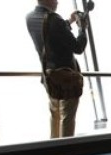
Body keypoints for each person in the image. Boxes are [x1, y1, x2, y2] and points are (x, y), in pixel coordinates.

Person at [26, 0, 88, 138]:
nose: (58, 1)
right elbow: (78, 47)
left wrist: (70, 21)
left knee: (55, 114)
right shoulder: (55, 20)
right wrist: (82, 28)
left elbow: (50, 32)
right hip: (66, 78)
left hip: (48, 75)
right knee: (67, 117)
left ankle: (53, 146)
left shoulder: (30, 17)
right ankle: (65, 151)